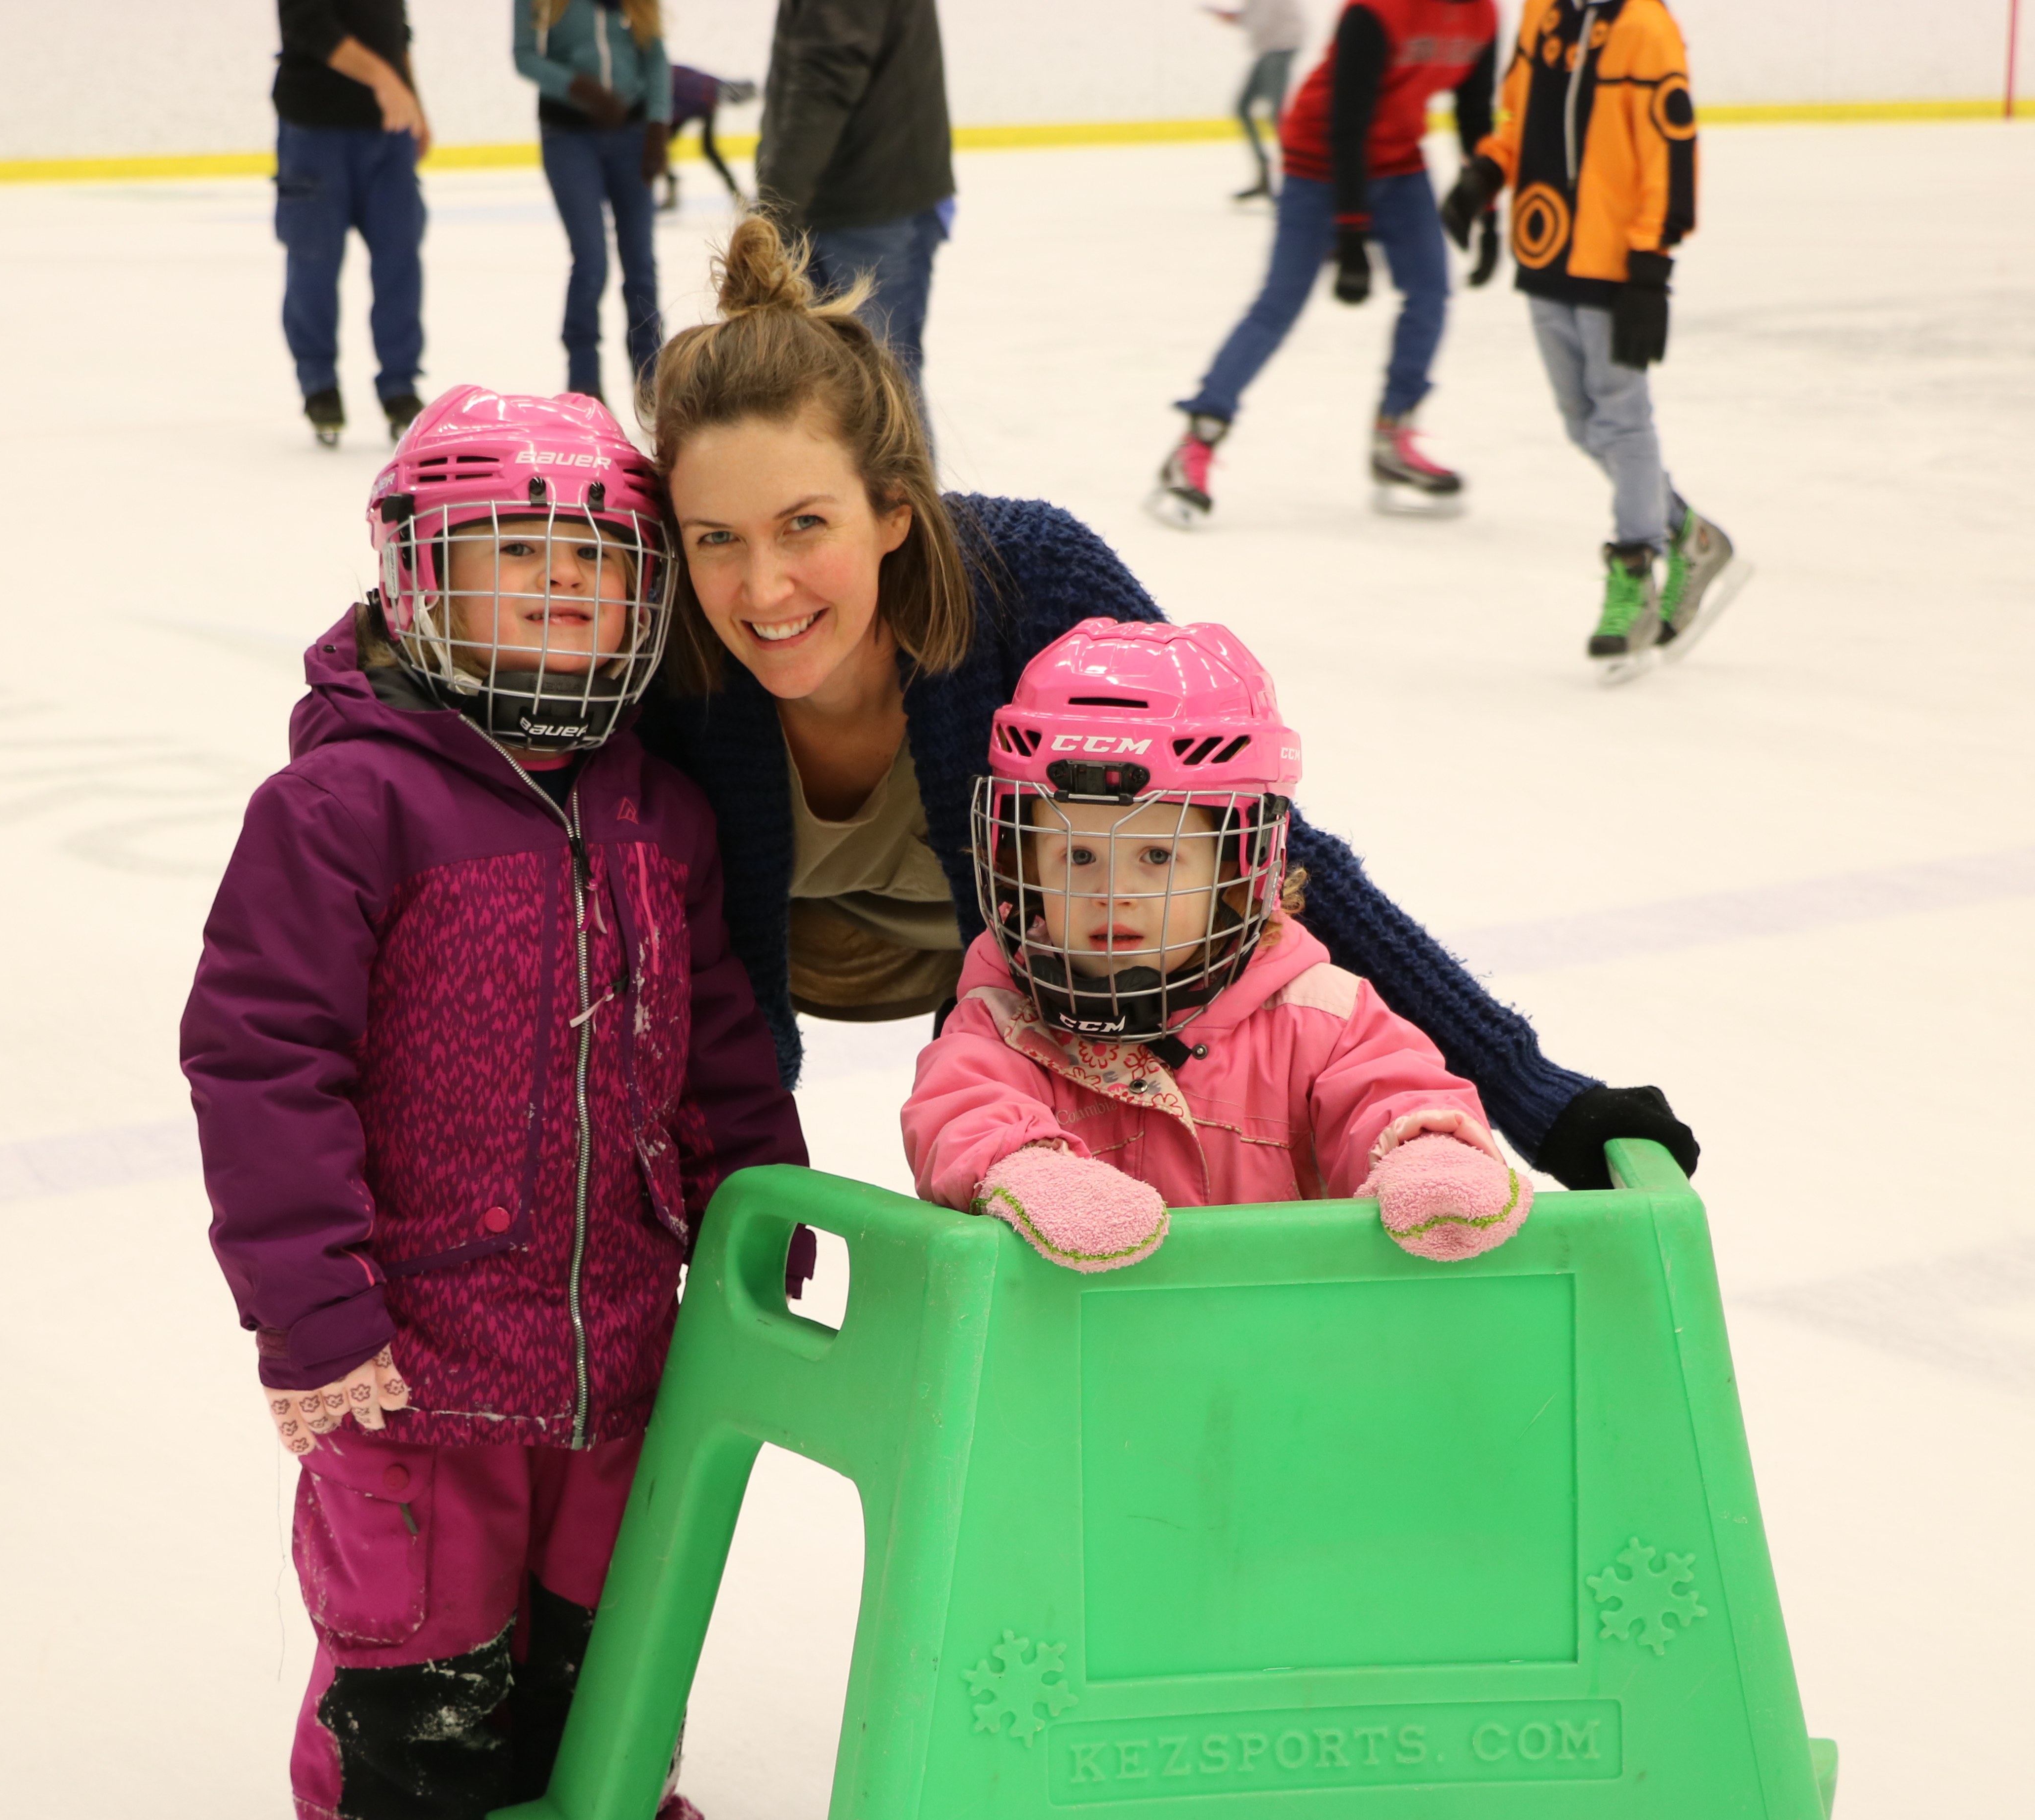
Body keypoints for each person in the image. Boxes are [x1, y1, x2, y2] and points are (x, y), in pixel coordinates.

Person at [635, 213, 1700, 1196]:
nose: (762, 588)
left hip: (1043, 944)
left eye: (806, 525)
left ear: (895, 513)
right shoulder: (670, 637)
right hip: (808, 946)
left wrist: (1533, 1093)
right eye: (716, 538)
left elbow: (1267, 846)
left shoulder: (1027, 580)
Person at [181, 385, 803, 1820]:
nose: (551, 589)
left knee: (612, 1653)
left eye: (589, 564)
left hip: (620, 1347)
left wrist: (757, 1201)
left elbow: (720, 1028)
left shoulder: (657, 805)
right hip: (410, 1374)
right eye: (504, 557)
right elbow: (263, 1062)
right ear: (412, 581)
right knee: (421, 1673)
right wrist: (313, 1317)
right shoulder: (343, 807)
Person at [903, 618, 1529, 1272]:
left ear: (1238, 869)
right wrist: (1025, 1170)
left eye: (1156, 855)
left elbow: (1391, 1088)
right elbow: (962, 1109)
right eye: (1078, 855)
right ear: (1023, 864)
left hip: (1285, 1347)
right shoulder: (1005, 1018)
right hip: (1084, 1358)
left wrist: (1425, 1154)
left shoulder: (1317, 1015)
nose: (1113, 892)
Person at [1442, 0, 1744, 676]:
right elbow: (1518, 119)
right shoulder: (1541, 15)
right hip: (1546, 251)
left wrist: (1650, 266)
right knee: (1586, 425)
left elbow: (1671, 147)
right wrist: (1485, 175)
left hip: (1616, 267)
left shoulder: (1644, 25)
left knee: (1624, 421)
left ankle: (1635, 571)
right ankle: (1691, 537)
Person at [1150, 0, 1501, 532]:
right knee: (1279, 305)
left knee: (1431, 293)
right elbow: (1347, 122)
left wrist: (1488, 211)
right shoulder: (1377, 12)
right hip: (1319, 162)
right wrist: (1353, 234)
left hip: (1400, 164)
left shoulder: (1483, 16)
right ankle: (1196, 442)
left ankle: (1392, 439)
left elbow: (1475, 114)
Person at [754, 0, 952, 393]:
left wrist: (773, 215)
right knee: (848, 393)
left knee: (881, 393)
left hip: (867, 210)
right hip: (847, 202)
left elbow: (824, 81)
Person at [273, 0, 428, 448]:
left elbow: (396, 31)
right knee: (314, 260)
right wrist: (384, 80)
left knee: (401, 257)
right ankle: (318, 381)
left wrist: (413, 101)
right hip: (315, 129)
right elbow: (310, 25)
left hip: (389, 132)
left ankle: (401, 386)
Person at [515, 0, 671, 403]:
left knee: (640, 261)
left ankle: (651, 372)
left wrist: (657, 125)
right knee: (591, 261)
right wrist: (577, 87)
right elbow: (525, 56)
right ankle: (584, 378)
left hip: (632, 135)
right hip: (568, 136)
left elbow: (655, 58)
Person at [1209, 0, 1308, 203]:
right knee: (1246, 108)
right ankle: (1264, 175)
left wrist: (1238, 19)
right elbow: (1259, 18)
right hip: (1271, 50)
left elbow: (1260, 21)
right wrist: (1238, 18)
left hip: (1280, 48)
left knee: (1276, 116)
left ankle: (1300, 179)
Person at [656, 63, 756, 211]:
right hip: (694, 100)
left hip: (692, 101)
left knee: (659, 145)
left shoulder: (665, 74)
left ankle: (739, 198)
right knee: (661, 145)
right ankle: (739, 197)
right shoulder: (672, 75)